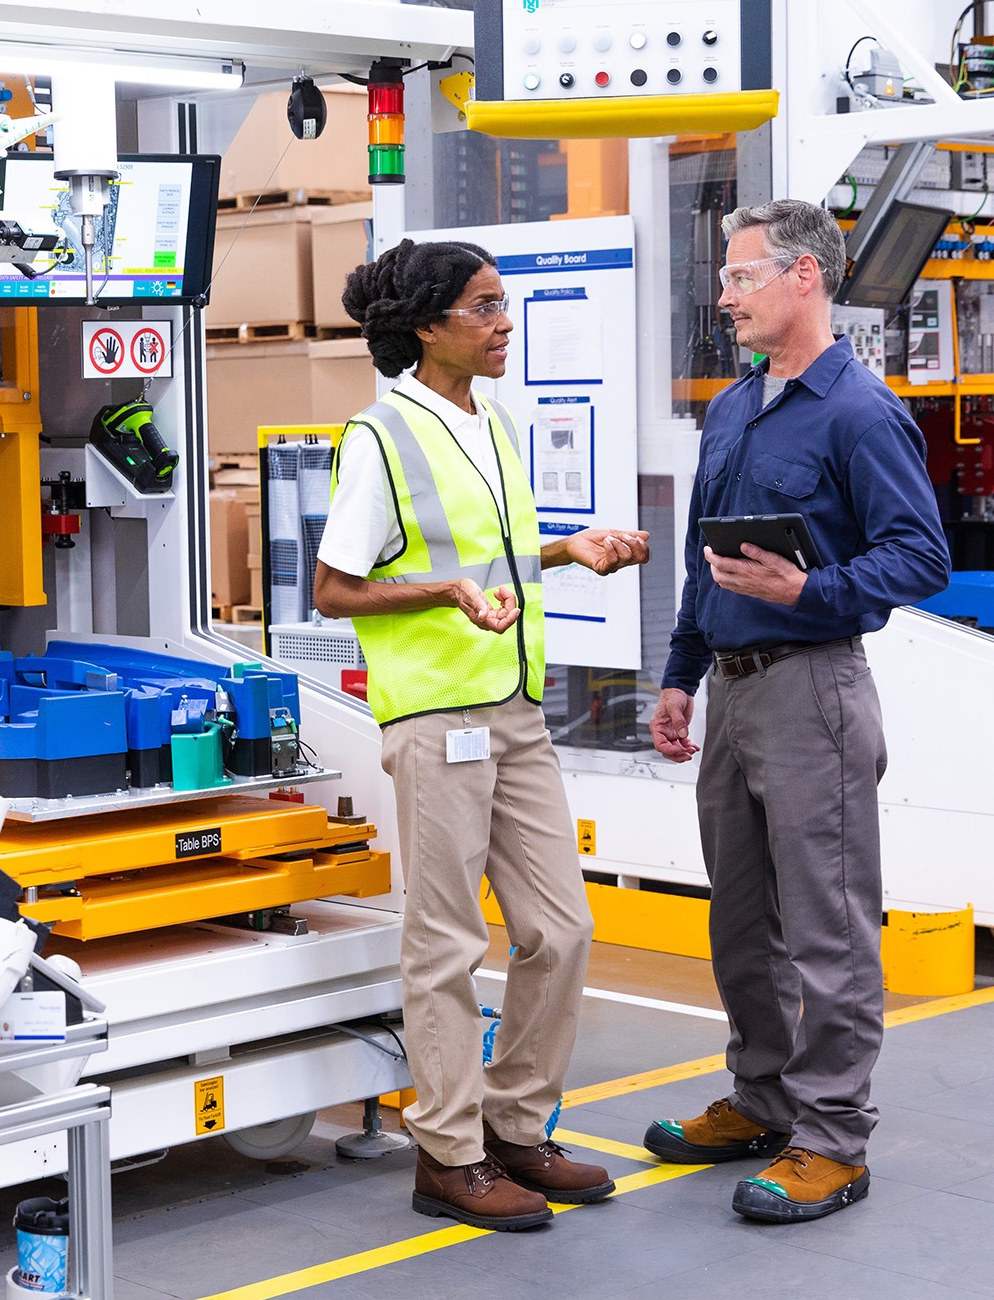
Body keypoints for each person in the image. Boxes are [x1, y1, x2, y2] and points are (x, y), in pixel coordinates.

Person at [314, 238, 651, 1231]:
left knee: (562, 928)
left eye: (505, 305)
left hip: (514, 708)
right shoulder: (381, 436)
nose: (505, 322)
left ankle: (515, 1125)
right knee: (448, 942)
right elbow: (335, 585)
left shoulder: (492, 421)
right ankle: (449, 1152)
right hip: (437, 716)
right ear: (428, 327)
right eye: (486, 306)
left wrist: (564, 546)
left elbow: (487, 554)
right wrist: (446, 589)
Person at [640, 199, 949, 1224]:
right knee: (740, 923)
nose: (724, 296)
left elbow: (920, 556)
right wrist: (682, 671)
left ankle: (832, 1138)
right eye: (726, 280)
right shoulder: (732, 409)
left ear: (803, 279)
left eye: (740, 278)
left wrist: (806, 594)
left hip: (815, 687)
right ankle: (762, 1098)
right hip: (730, 690)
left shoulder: (859, 409)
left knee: (827, 928)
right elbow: (705, 557)